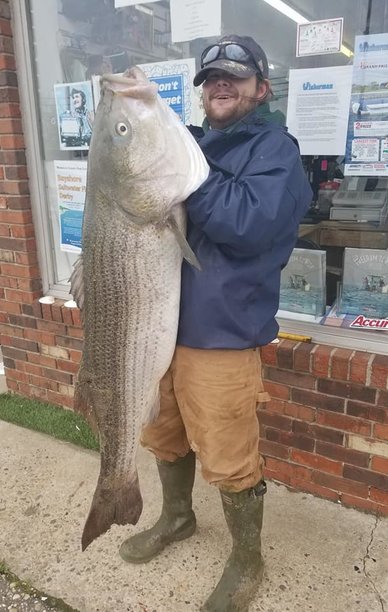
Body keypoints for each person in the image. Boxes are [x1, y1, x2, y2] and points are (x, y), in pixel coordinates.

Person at [120, 34, 312, 611]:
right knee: (162, 432)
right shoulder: (192, 143)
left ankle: (247, 560)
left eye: (235, 76)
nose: (221, 85)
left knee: (228, 455)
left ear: (262, 87)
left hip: (221, 334)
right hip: (158, 328)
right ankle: (177, 517)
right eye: (212, 80)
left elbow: (249, 221)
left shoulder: (276, 150)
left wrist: (172, 172)